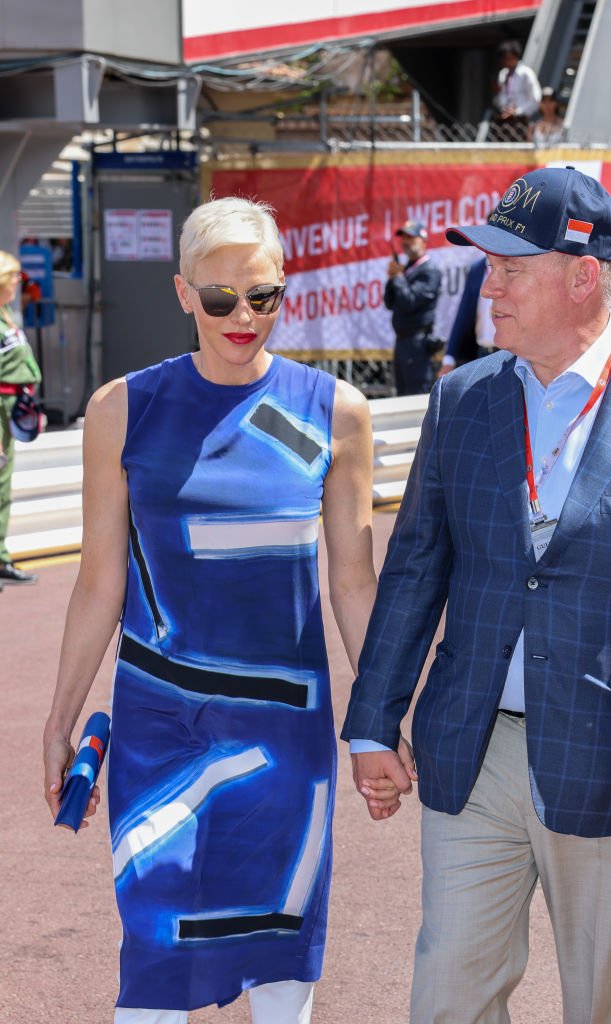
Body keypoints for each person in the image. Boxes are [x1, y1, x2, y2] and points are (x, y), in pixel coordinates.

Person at [342, 167, 611, 1024]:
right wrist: (371, 722)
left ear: (582, 277)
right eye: (487, 265)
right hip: (471, 751)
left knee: (605, 1005)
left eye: (509, 268)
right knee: (448, 998)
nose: (486, 286)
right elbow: (416, 567)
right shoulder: (462, 400)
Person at [42, 197, 407, 1024]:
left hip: (286, 741)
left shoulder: (335, 413)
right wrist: (58, 721)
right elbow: (99, 581)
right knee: (155, 950)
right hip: (159, 730)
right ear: (182, 293)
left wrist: (382, 719)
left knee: (283, 958)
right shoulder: (122, 410)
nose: (243, 318)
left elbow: (354, 582)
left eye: (264, 296)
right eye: (219, 299)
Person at [0, 249, 41, 588]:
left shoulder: (6, 314)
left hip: (13, 405)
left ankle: (1, 559)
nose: (19, 281)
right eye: (15, 276)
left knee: (3, 487)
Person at [385, 219, 441, 396]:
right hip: (402, 342)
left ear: (423, 240)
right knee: (402, 395)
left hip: (418, 344)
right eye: (404, 237)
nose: (406, 242)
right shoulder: (407, 269)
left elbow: (409, 301)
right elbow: (389, 302)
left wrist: (399, 277)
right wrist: (393, 277)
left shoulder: (429, 270)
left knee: (417, 396)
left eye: (411, 237)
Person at [437, 256, 494, 377]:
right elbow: (464, 312)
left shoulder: (516, 261)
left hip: (512, 353)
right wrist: (450, 356)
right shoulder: (477, 268)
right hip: (482, 353)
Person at [492, 39, 542, 139]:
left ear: (516, 57)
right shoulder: (503, 74)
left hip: (520, 120)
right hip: (504, 119)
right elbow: (500, 99)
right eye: (504, 59)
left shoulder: (526, 73)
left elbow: (536, 97)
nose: (507, 62)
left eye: (510, 58)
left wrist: (518, 111)